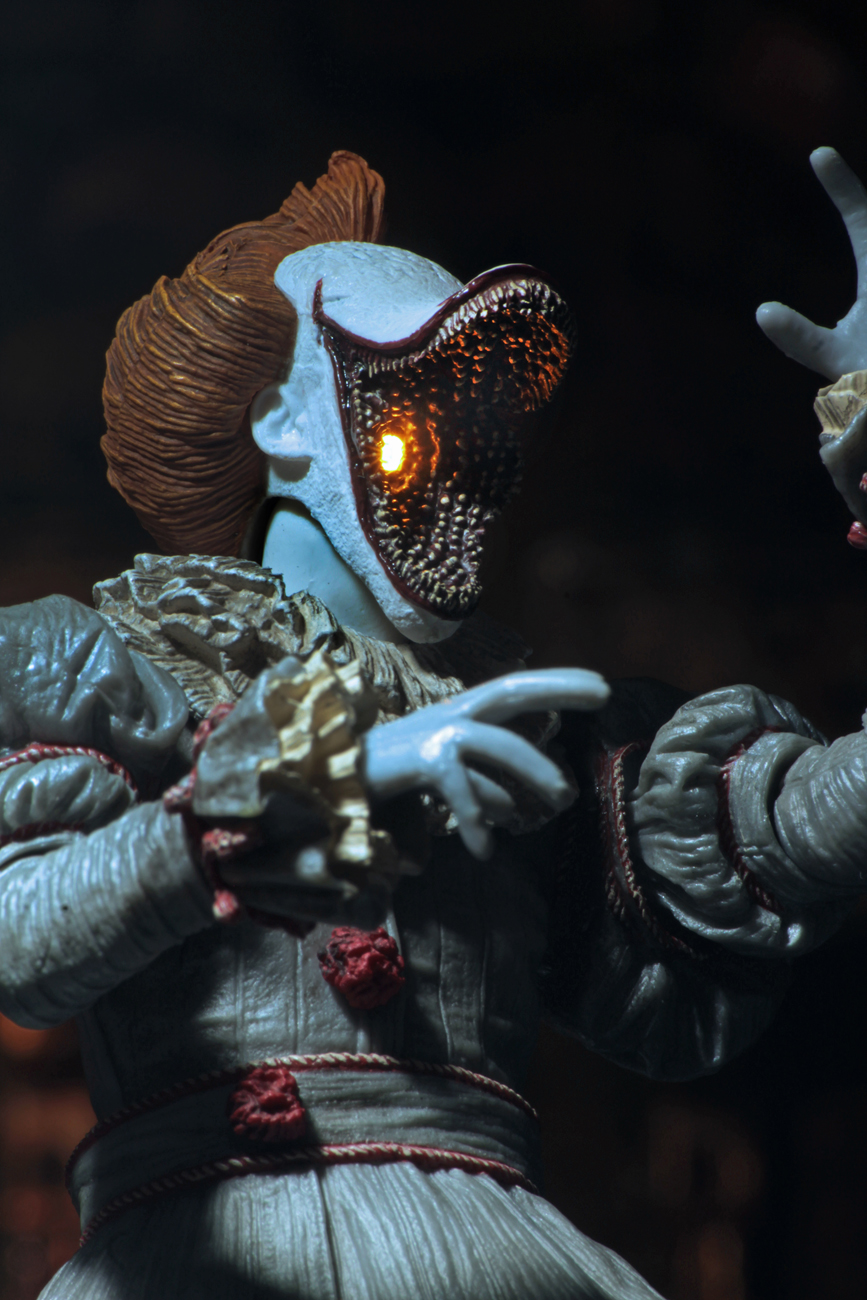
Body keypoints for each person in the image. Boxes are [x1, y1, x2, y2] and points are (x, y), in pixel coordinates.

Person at [0, 149, 865, 1300]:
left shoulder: (532, 724)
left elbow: (788, 826)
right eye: (418, 390)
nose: (466, 448)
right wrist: (276, 796)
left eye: (486, 413)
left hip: (502, 1254)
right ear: (281, 420)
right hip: (209, 1253)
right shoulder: (121, 672)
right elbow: (22, 939)